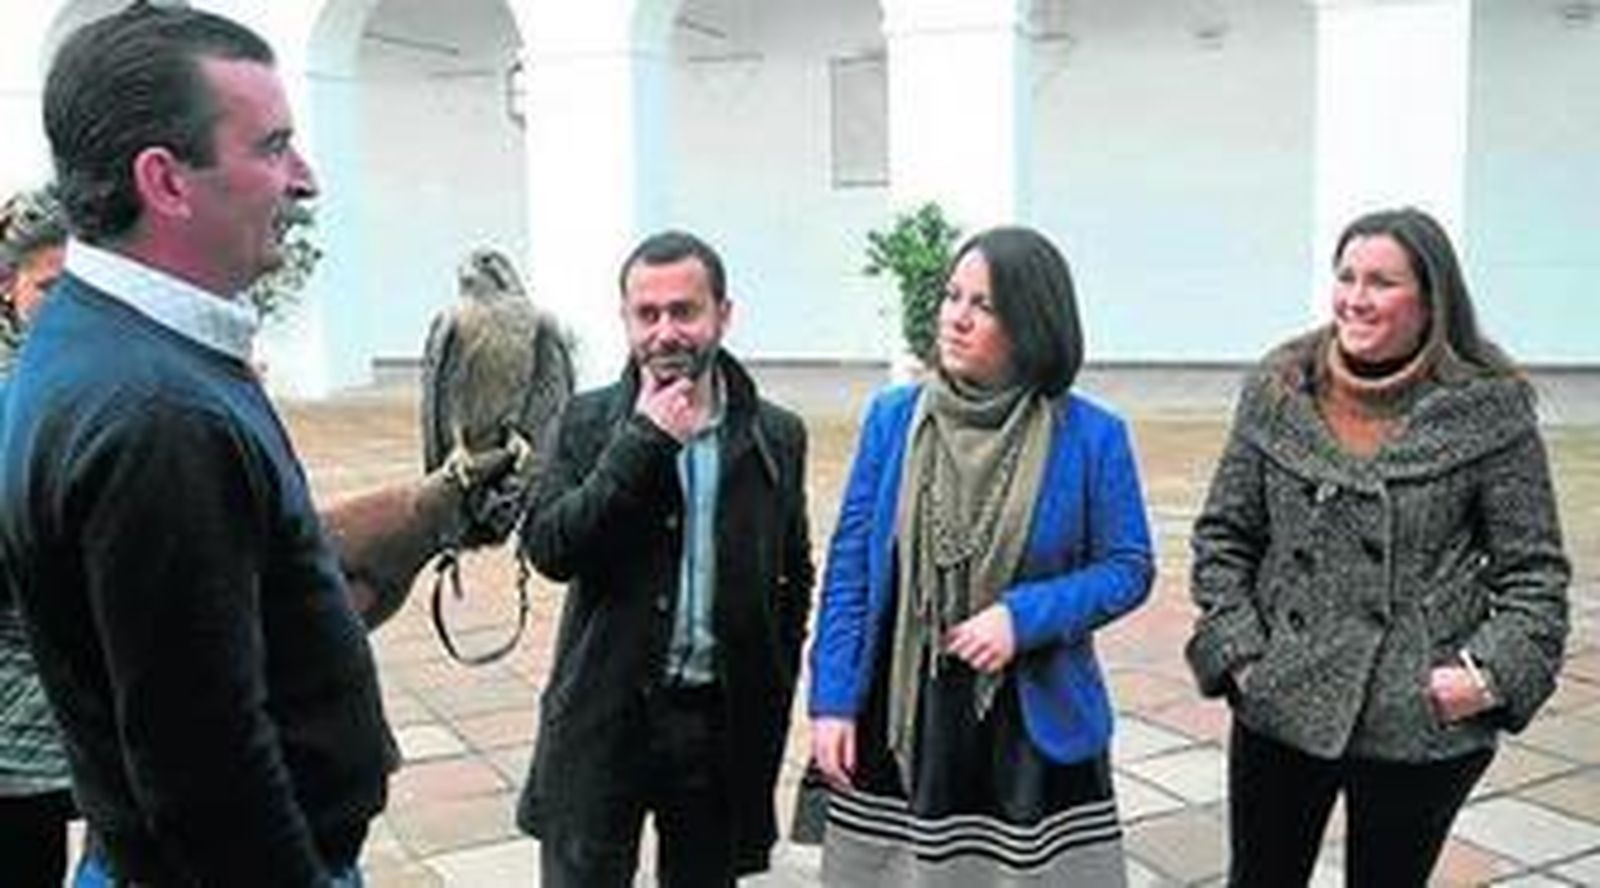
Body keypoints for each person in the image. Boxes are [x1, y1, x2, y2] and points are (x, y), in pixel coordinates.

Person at [0, 6, 419, 884]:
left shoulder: (101, 336)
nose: (304, 180)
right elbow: (208, 777)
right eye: (273, 147)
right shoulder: (156, 413)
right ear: (165, 181)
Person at [1185, 207, 1571, 887]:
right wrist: (1241, 657)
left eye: (1382, 283)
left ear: (1431, 299)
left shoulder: (1488, 410)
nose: (1355, 299)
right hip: (1282, 695)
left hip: (1418, 715)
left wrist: (1483, 679)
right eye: (1346, 277)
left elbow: (1534, 573)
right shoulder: (1279, 392)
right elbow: (1224, 536)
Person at [809, 226, 1155, 885]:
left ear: (1032, 323)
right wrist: (832, 701)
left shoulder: (1091, 435)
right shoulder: (892, 420)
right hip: (904, 714)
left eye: (983, 305)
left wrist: (1023, 618)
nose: (956, 318)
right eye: (951, 296)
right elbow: (851, 569)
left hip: (1030, 724)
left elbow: (1127, 567)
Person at [517, 230, 814, 886]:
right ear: (625, 319)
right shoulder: (586, 422)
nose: (665, 332)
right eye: (647, 314)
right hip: (603, 717)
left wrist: (775, 672)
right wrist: (643, 442)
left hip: (716, 726)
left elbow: (794, 574)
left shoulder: (776, 435)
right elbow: (552, 549)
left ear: (723, 315)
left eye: (684, 311)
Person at [0, 186, 71, 886]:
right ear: (8, 286)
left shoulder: (79, 377)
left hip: (74, 702)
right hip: (15, 721)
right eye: (51, 288)